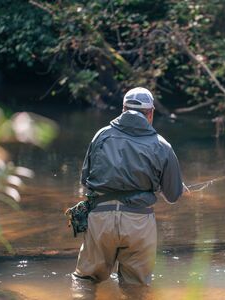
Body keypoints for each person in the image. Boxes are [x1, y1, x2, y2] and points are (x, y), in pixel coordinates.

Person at [72, 87, 185, 288]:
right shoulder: (162, 146)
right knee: (136, 287)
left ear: (123, 109)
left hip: (100, 220)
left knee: (85, 281)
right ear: (150, 113)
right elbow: (173, 195)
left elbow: (85, 179)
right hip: (139, 223)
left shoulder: (102, 135)